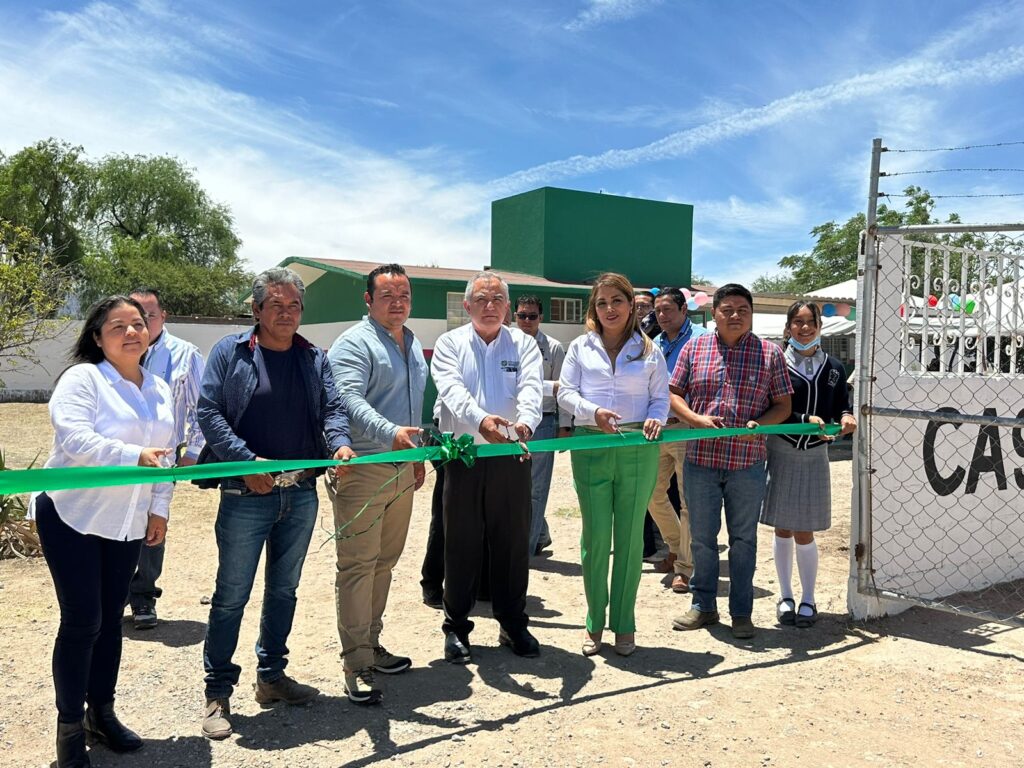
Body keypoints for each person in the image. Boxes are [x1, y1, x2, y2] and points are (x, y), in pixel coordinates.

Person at [197, 268, 355, 740]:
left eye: (294, 307)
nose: (286, 314)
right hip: (246, 495)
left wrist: (339, 444)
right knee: (231, 597)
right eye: (276, 306)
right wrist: (245, 462)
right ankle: (217, 692)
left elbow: (333, 409)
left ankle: (271, 679)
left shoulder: (313, 357)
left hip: (300, 493)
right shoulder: (230, 352)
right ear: (256, 309)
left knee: (284, 592)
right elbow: (209, 412)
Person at [34, 295, 174, 767]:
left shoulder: (158, 387)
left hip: (127, 521)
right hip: (73, 516)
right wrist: (130, 455)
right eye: (119, 326)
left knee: (112, 619)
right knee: (82, 622)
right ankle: (69, 728)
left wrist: (159, 509)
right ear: (98, 336)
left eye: (139, 324)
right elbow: (73, 437)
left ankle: (102, 713)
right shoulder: (84, 379)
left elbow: (165, 455)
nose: (132, 332)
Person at [326, 264, 428, 705]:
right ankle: (355, 662)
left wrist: (416, 457)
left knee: (384, 562)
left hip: (402, 467)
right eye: (387, 295)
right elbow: (347, 399)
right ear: (368, 300)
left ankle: (371, 645)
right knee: (357, 566)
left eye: (403, 294)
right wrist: (391, 434)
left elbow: (417, 407)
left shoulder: (413, 343)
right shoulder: (354, 343)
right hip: (364, 467)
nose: (397, 302)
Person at [430, 271, 543, 665]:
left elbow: (532, 388)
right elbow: (453, 391)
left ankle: (512, 623)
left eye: (497, 299)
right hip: (464, 457)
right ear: (467, 306)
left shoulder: (524, 345)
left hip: (511, 455)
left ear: (508, 307)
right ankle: (456, 627)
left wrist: (526, 421)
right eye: (481, 299)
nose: (490, 305)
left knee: (512, 544)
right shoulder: (449, 344)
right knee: (460, 542)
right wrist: (482, 421)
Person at [669, 283, 792, 640]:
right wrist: (694, 420)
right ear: (714, 314)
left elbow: (783, 404)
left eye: (743, 309)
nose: (735, 315)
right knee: (703, 539)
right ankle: (703, 606)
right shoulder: (695, 348)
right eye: (728, 309)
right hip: (701, 461)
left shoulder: (770, 354)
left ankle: (741, 612)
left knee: (744, 540)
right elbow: (672, 393)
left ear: (751, 314)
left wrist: (761, 424)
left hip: (747, 462)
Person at [557, 272, 668, 657]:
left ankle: (624, 624)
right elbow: (566, 392)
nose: (609, 309)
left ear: (630, 306)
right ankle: (593, 622)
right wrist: (593, 412)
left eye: (616, 301)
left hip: (639, 446)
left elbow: (661, 397)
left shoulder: (650, 350)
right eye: (601, 303)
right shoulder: (579, 348)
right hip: (591, 445)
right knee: (596, 538)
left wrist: (657, 417)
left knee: (630, 539)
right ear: (594, 307)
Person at [761, 301, 856, 627]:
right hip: (782, 449)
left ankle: (809, 599)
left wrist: (845, 416)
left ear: (819, 326)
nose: (804, 328)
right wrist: (803, 419)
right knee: (783, 525)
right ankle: (785, 596)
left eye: (810, 322)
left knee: (806, 529)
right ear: (788, 328)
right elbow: (770, 406)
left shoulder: (833, 367)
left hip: (816, 452)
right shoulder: (776, 364)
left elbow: (841, 404)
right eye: (797, 322)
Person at [125, 287, 205, 631]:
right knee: (115, 524)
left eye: (149, 317)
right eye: (134, 318)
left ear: (163, 317)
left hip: (161, 460)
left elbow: (201, 407)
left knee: (152, 525)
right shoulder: (112, 353)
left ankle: (143, 595)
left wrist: (194, 452)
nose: (140, 325)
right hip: (119, 459)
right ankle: (111, 595)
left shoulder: (185, 355)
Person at [649, 287, 709, 594]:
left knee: (687, 501)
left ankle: (684, 567)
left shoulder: (701, 339)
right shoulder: (655, 342)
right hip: (658, 429)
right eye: (658, 311)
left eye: (668, 310)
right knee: (651, 492)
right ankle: (675, 546)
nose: (662, 316)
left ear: (684, 310)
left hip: (687, 428)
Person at [514, 295, 571, 558]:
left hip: (544, 423)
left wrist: (565, 426)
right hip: (510, 423)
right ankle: (540, 533)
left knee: (536, 488)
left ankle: (524, 550)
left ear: (541, 317)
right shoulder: (505, 343)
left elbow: (563, 389)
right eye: (522, 315)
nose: (526, 321)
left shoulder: (554, 348)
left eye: (532, 316)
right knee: (511, 485)